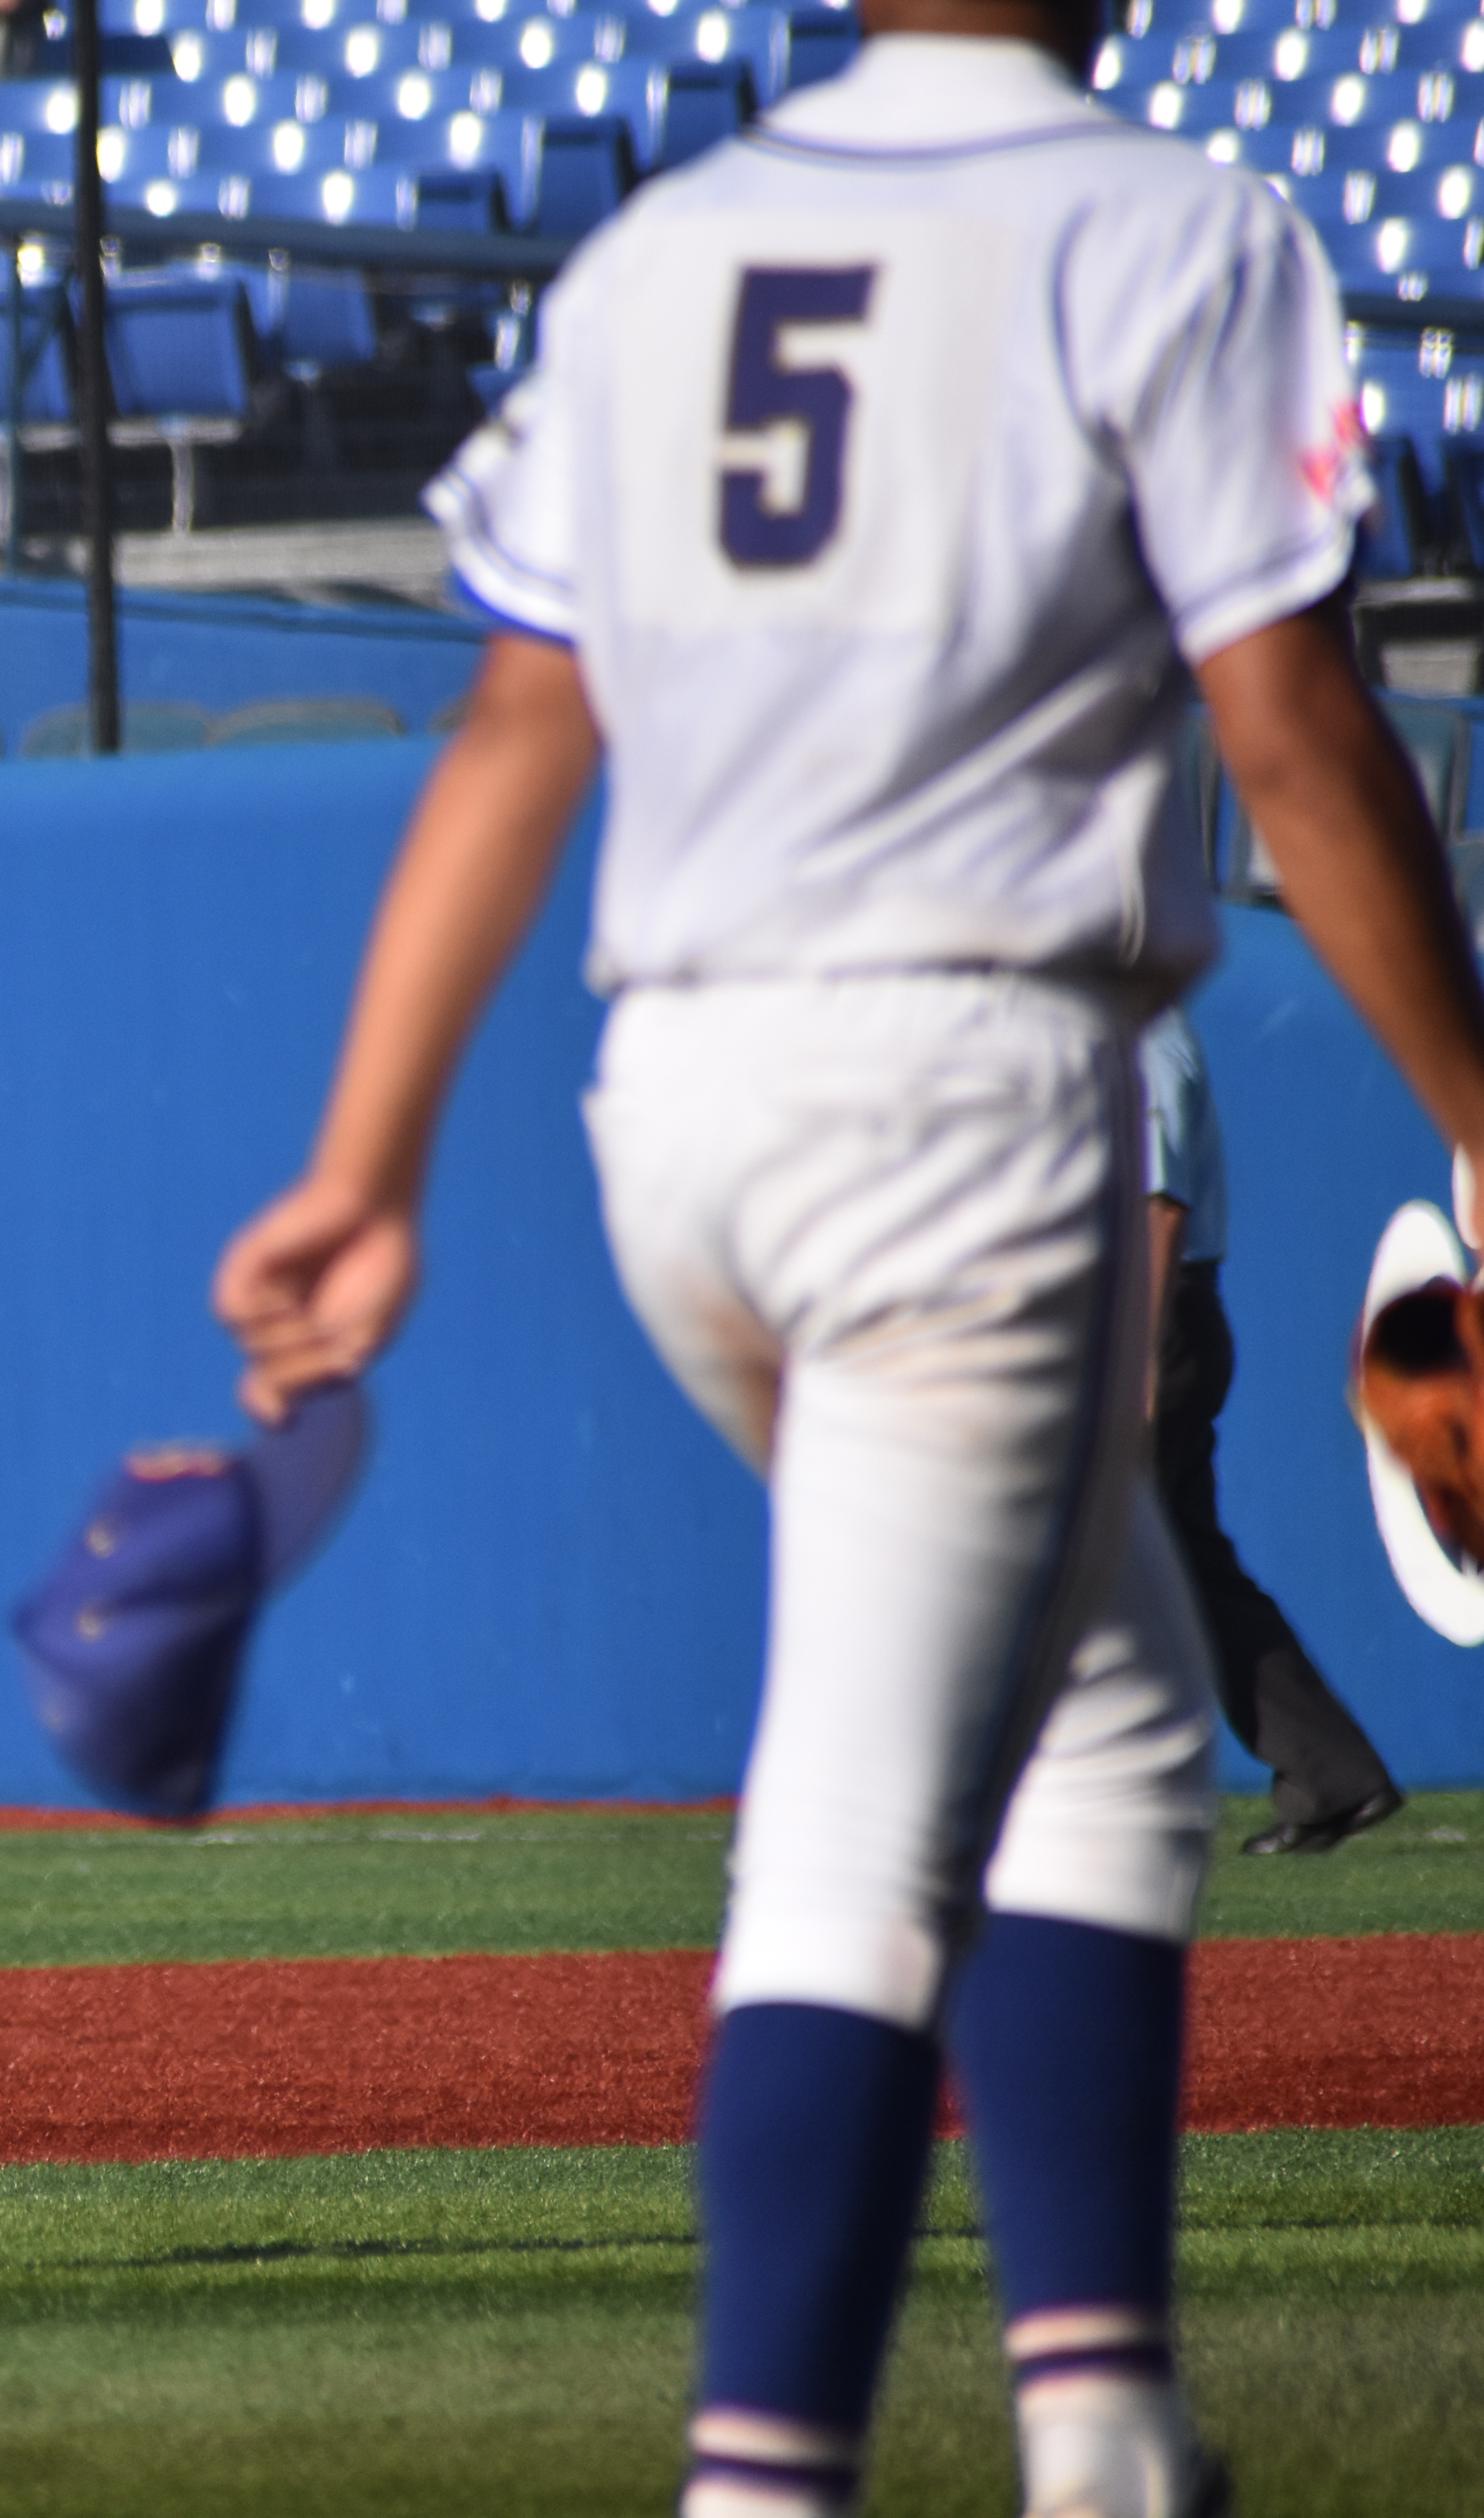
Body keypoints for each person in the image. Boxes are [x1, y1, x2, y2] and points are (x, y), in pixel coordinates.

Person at [208, 3, 1484, 2512]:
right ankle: (767, 2472)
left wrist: (369, 1154)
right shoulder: (1173, 225)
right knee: (869, 1808)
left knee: (1105, 1730)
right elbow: (1299, 724)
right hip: (963, 1092)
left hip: (684, 1099)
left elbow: (510, 735)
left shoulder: (670, 247)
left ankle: (1109, 2425)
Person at [1143, 1005, 1405, 1856]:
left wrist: (1138, 1359)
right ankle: (1331, 1772)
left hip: (1154, 1322)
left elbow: (1158, 1205)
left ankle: (1037, 1810)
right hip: (1166, 1319)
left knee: (1075, 1565)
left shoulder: (1142, 1031)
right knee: (1187, 1563)